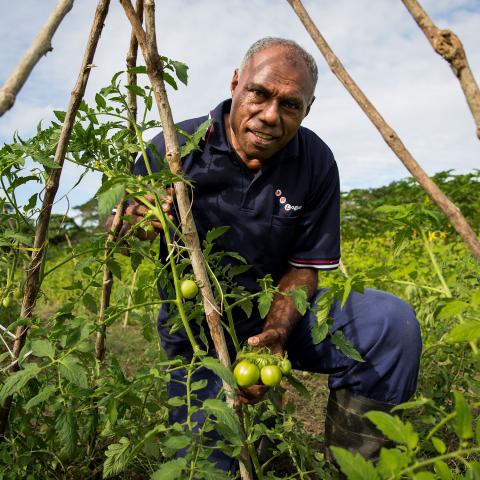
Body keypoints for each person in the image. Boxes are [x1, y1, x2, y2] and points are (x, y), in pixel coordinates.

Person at [110, 37, 422, 473]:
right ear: (236, 83)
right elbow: (121, 231)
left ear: (306, 110)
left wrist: (275, 335)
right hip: (198, 329)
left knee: (389, 323)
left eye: (291, 105)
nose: (271, 115)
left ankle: (361, 467)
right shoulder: (172, 148)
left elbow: (304, 266)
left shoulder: (314, 160)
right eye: (259, 93)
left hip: (282, 312)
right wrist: (134, 224)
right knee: (207, 465)